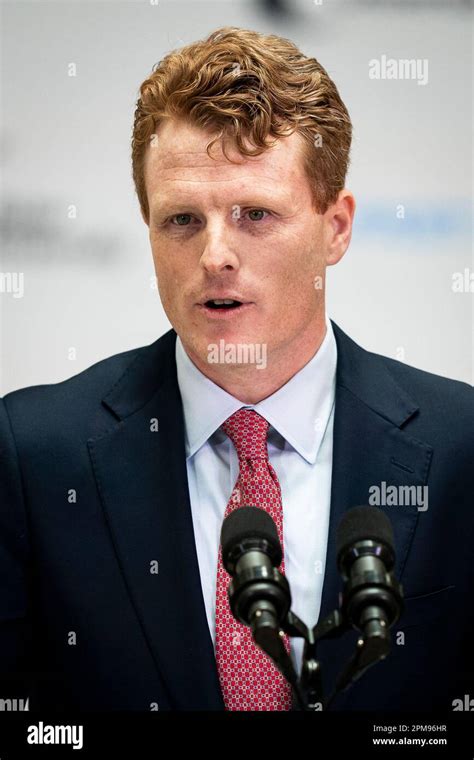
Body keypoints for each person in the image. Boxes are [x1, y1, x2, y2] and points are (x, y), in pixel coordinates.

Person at [0, 26, 472, 713]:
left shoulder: (461, 451)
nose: (215, 255)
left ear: (335, 227)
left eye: (254, 214)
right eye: (183, 220)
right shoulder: (33, 454)